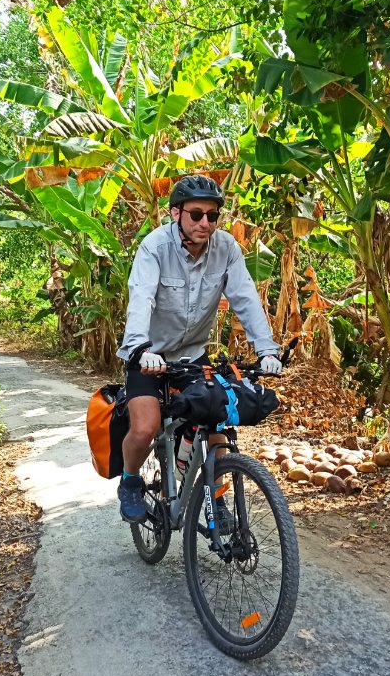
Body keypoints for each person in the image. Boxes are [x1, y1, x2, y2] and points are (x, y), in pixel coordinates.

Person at [115, 175, 283, 523]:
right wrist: (139, 349)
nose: (205, 223)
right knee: (146, 428)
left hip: (192, 356)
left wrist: (267, 351)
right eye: (196, 214)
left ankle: (216, 501)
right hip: (148, 356)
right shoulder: (154, 247)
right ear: (175, 213)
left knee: (216, 423)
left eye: (212, 215)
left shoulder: (226, 249)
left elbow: (246, 299)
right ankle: (130, 482)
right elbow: (141, 298)